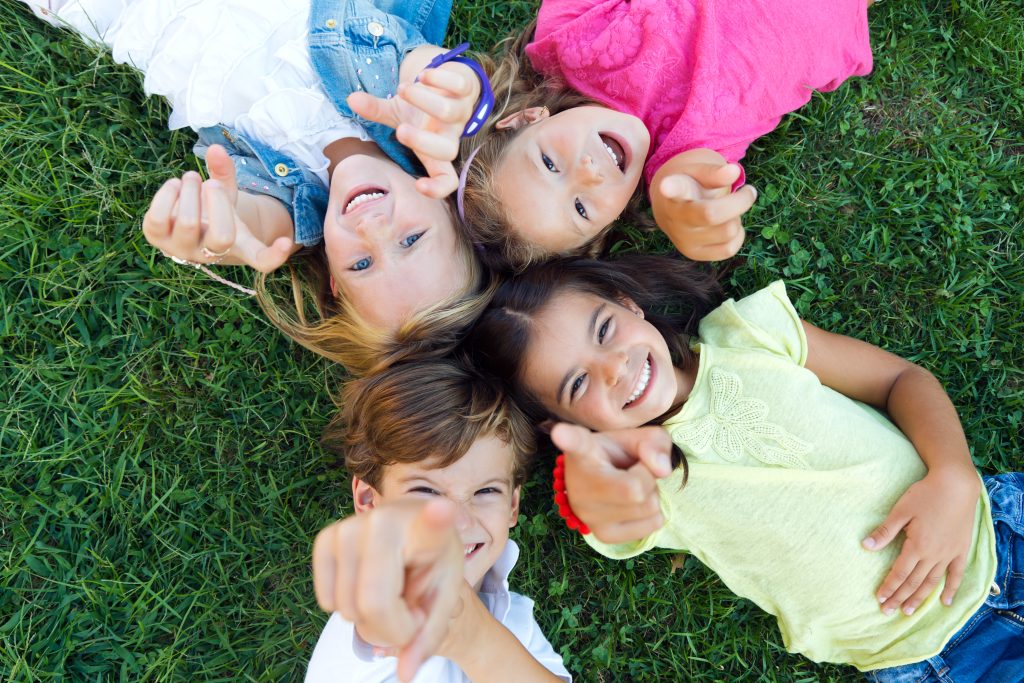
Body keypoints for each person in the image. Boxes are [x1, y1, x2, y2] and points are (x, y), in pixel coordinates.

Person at [464, 254, 1024, 677]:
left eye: (605, 330)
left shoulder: (749, 334)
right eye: (579, 383)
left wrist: (952, 475)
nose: (614, 368)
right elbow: (599, 511)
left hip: (997, 532)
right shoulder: (642, 483)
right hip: (927, 657)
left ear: (627, 303)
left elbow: (901, 380)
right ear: (562, 425)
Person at [22, 0, 490, 375]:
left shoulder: (290, 210)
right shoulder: (405, 107)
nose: (373, 230)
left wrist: (210, 239)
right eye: (411, 240)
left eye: (362, 264)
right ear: (451, 209)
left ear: (333, 274)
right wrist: (455, 90)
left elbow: (249, 228)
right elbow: (428, 67)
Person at [452, 0, 873, 270]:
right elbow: (693, 178)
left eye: (549, 164)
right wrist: (682, 211)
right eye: (580, 208)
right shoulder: (675, 160)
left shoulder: (568, 39)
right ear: (607, 226)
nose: (587, 174)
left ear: (526, 118)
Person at [307, 358, 572, 682]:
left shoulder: (515, 620)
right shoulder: (379, 604)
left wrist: (480, 641)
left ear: (512, 506)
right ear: (368, 501)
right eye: (426, 491)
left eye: (486, 490)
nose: (460, 522)